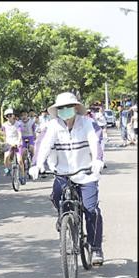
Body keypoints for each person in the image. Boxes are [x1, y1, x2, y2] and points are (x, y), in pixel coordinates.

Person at [29, 92, 105, 265]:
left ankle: (95, 247)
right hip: (62, 173)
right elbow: (43, 145)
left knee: (91, 210)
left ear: (76, 108)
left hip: (86, 173)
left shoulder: (88, 124)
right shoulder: (52, 126)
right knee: (57, 197)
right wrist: (37, 164)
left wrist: (98, 161)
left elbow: (96, 142)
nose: (65, 110)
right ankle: (64, 218)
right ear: (57, 110)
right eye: (61, 108)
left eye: (68, 107)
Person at [1, 107, 25, 184]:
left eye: (10, 115)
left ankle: (23, 176)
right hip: (9, 142)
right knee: (6, 157)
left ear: (13, 115)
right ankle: (7, 169)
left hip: (17, 141)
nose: (9, 117)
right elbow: (4, 135)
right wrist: (4, 142)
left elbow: (20, 134)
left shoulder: (18, 124)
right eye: (7, 116)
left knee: (19, 160)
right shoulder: (4, 125)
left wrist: (18, 142)